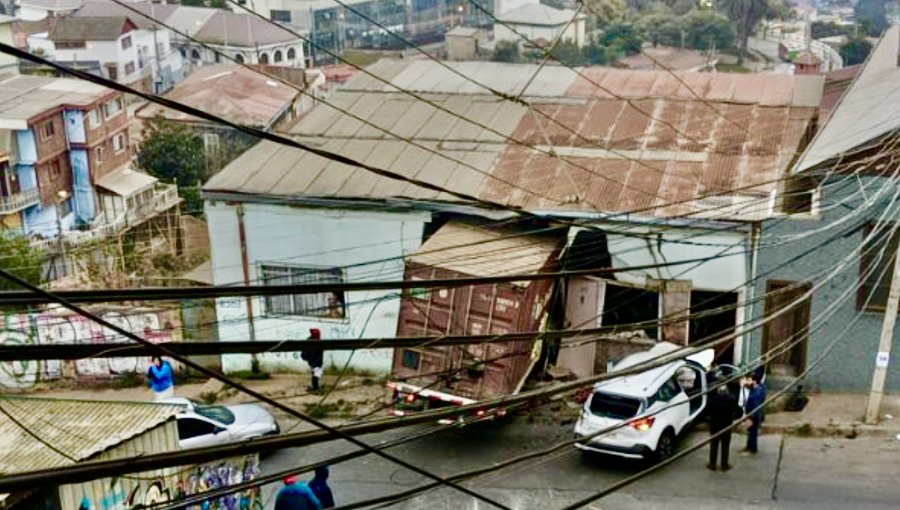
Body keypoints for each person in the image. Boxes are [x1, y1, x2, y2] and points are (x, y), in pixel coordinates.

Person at [707, 381, 741, 471]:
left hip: (714, 426)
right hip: (726, 426)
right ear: (727, 391)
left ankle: (712, 464)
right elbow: (739, 412)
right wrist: (733, 417)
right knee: (725, 446)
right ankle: (724, 465)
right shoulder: (731, 400)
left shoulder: (712, 400)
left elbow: (707, 412)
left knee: (714, 445)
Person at [741, 372, 766, 455]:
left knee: (753, 432)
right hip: (751, 413)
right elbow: (749, 386)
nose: (748, 381)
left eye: (749, 380)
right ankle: (749, 446)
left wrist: (751, 416)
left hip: (754, 414)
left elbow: (756, 406)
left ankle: (752, 449)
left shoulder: (757, 392)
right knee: (750, 431)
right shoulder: (755, 388)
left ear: (754, 381)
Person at [301, 328, 324, 392]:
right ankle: (315, 388)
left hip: (316, 361)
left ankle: (315, 386)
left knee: (316, 373)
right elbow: (304, 353)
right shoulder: (309, 342)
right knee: (316, 374)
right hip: (313, 361)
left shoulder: (318, 343)